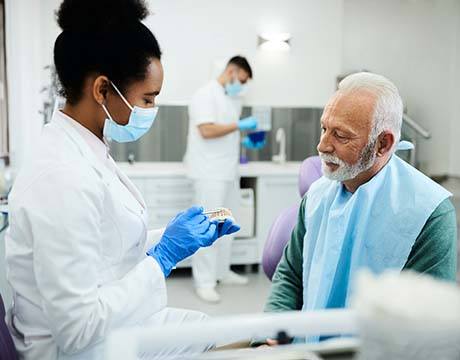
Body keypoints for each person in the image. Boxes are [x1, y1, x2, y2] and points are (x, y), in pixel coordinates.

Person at [4, 1, 239, 359]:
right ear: (102, 90)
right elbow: (77, 329)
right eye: (147, 99)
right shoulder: (61, 176)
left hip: (108, 329)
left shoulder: (84, 148)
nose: (151, 111)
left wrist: (174, 237)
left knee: (226, 333)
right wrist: (163, 256)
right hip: (73, 350)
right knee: (232, 344)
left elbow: (104, 247)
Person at [263, 72, 457, 344]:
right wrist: (270, 333)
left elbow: (427, 330)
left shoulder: (427, 215)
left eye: (341, 136)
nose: (322, 145)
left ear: (383, 144)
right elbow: (290, 274)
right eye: (324, 129)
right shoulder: (318, 194)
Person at [184, 56, 259, 302]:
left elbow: (225, 131)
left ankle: (222, 271)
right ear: (232, 71)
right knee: (208, 225)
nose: (242, 86)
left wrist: (243, 139)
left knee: (227, 223)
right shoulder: (205, 95)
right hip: (209, 172)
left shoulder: (229, 97)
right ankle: (204, 281)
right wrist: (239, 126)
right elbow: (206, 130)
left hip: (227, 171)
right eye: (243, 80)